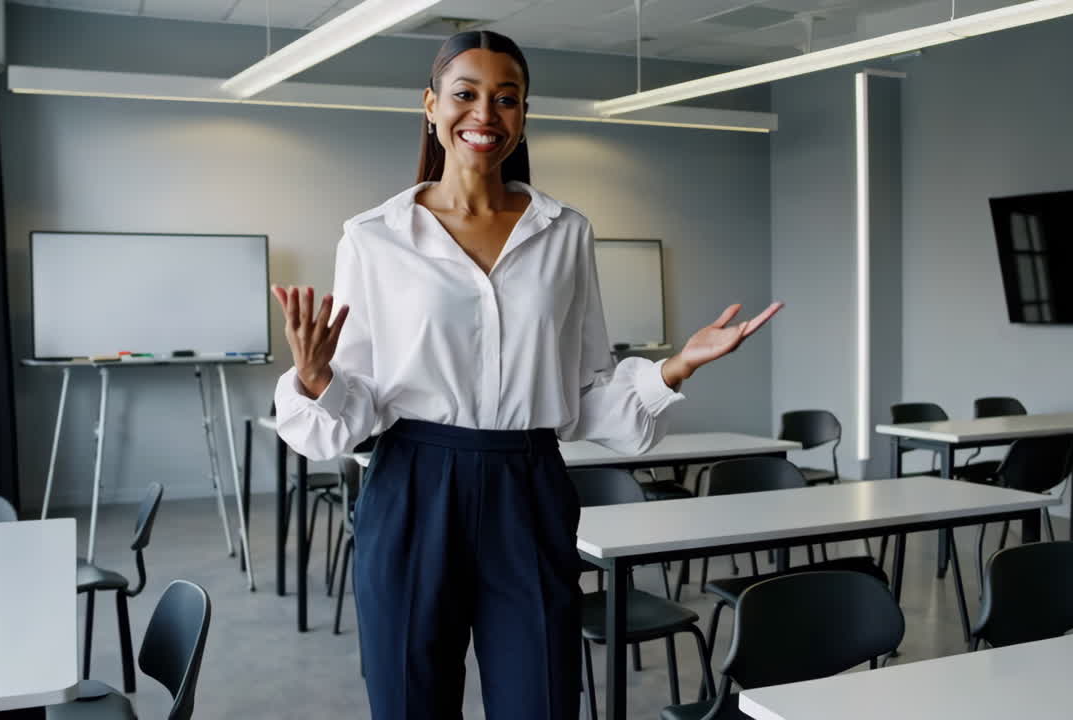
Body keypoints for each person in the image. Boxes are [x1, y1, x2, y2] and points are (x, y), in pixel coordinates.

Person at [271, 30, 782, 720]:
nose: (485, 114)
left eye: (506, 99)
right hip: (414, 486)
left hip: (529, 485)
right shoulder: (374, 237)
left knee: (540, 699)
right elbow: (357, 404)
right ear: (430, 105)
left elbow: (584, 393)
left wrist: (676, 367)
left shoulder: (565, 231)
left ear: (523, 116)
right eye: (466, 94)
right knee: (408, 698)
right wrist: (315, 378)